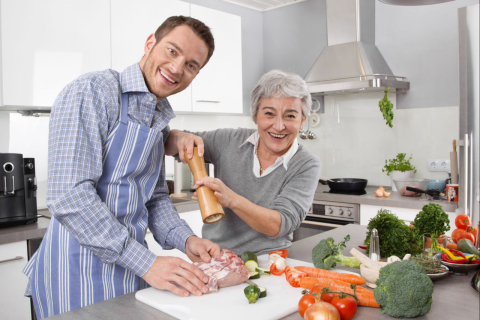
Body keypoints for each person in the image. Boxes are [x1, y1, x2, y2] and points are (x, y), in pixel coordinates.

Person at [22, 16, 221, 319]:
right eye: (172, 51)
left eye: (192, 65)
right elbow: (70, 196)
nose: (178, 68)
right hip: (76, 274)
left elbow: (152, 198)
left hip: (130, 274)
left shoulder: (158, 117)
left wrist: (186, 240)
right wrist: (148, 263)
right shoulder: (93, 91)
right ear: (150, 43)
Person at [165, 70, 322, 255]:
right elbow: (169, 144)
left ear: (302, 120)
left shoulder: (306, 164)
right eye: (269, 114)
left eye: (290, 116)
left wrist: (231, 199)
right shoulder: (229, 140)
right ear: (255, 116)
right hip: (217, 257)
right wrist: (182, 137)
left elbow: (280, 225)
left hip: (270, 263)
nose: (279, 126)